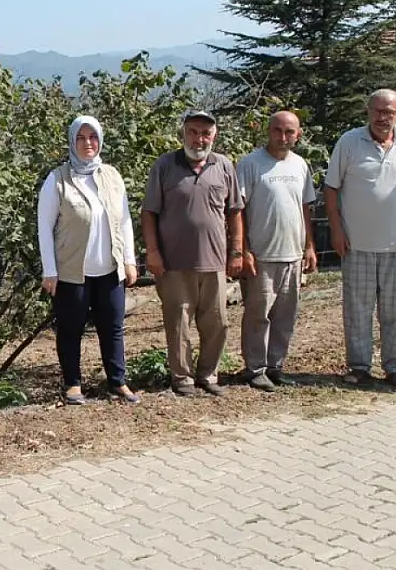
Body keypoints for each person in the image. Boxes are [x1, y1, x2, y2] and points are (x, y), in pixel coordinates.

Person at [323, 89, 396, 389]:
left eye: (390, 112)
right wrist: (336, 229)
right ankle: (359, 367)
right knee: (357, 311)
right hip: (356, 244)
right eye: (377, 111)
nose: (383, 117)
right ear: (368, 111)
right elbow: (331, 189)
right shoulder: (349, 141)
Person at [37, 116, 140, 404]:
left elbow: (125, 220)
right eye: (81, 138)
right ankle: (72, 384)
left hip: (109, 269)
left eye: (92, 137)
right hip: (72, 272)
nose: (87, 144)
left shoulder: (111, 176)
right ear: (72, 141)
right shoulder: (57, 179)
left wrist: (129, 260)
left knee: (113, 327)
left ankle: (117, 382)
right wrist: (50, 270)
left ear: (100, 140)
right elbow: (44, 227)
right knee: (71, 329)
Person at [141, 110, 244, 397]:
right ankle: (182, 378)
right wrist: (153, 252)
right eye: (193, 131)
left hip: (214, 261)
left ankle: (208, 375)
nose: (199, 139)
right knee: (178, 322)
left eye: (205, 133)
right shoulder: (164, 165)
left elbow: (234, 211)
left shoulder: (223, 165)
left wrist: (236, 251)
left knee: (217, 322)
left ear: (215, 136)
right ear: (183, 133)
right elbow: (148, 212)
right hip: (174, 263)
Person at [236, 111, 318, 391]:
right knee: (258, 315)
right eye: (277, 130)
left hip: (293, 254)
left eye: (289, 132)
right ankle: (254, 368)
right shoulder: (250, 163)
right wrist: (243, 249)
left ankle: (276, 366)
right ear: (267, 130)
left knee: (285, 315)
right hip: (262, 256)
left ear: (299, 134)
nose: (283, 137)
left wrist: (309, 246)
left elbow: (304, 207)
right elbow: (238, 210)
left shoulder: (300, 165)